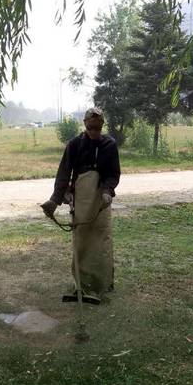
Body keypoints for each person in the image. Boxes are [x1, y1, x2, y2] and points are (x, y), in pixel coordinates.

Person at [41, 107, 120, 304]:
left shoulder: (109, 145)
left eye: (98, 128)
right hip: (81, 199)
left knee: (100, 241)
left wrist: (107, 191)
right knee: (82, 241)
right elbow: (64, 173)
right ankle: (81, 284)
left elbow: (113, 173)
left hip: (101, 200)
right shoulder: (74, 145)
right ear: (85, 124)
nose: (94, 131)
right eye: (91, 127)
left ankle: (102, 283)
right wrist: (55, 200)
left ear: (102, 126)